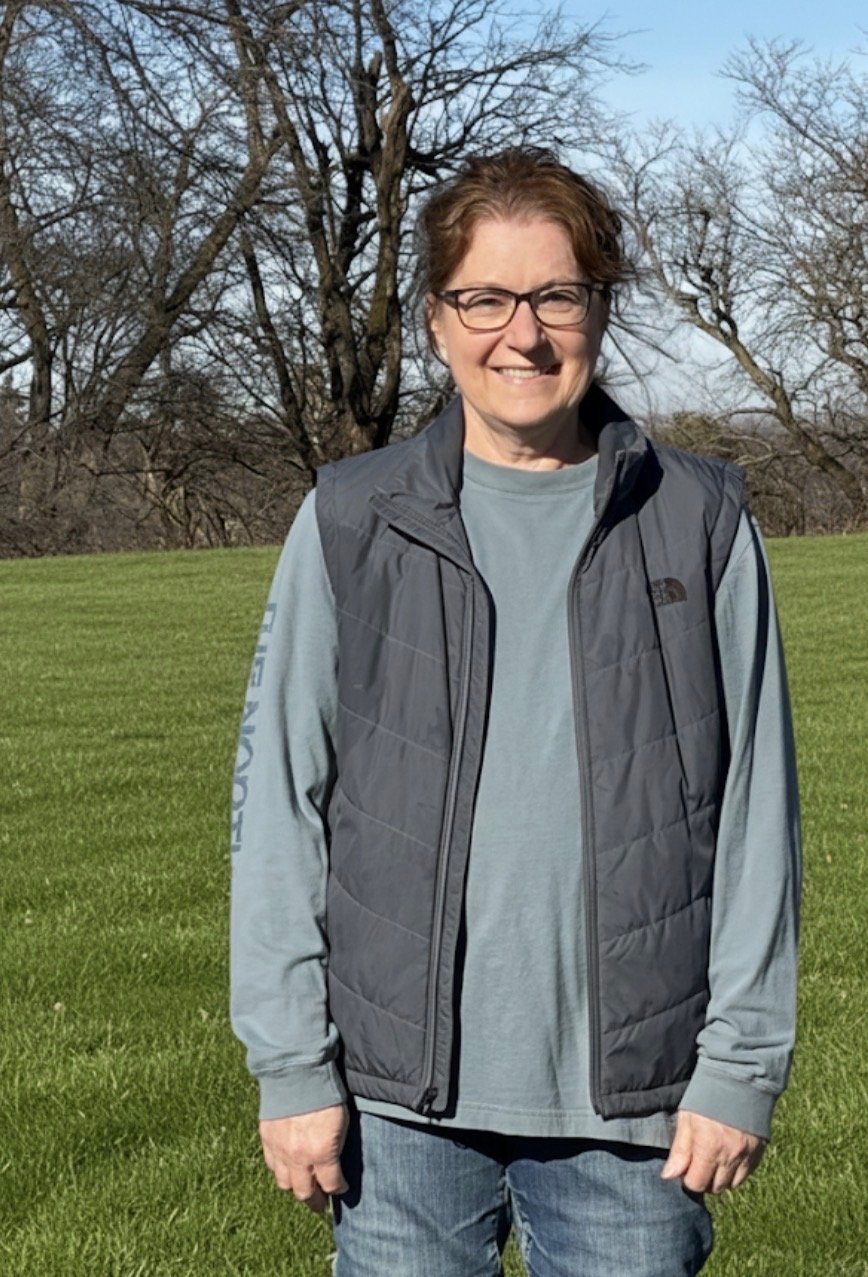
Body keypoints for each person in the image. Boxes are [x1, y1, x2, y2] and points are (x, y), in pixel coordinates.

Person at [229, 148, 801, 1276]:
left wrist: (740, 1064)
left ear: (599, 305)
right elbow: (278, 799)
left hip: (636, 1116)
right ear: (438, 319)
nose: (523, 335)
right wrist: (291, 1063)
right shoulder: (352, 518)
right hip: (396, 1108)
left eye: (557, 296)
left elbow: (756, 814)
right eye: (484, 298)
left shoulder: (699, 518)